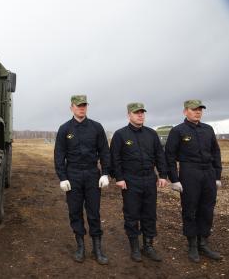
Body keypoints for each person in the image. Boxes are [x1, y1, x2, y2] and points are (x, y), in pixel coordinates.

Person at [54, 95, 110, 264]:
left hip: (93, 174)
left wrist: (105, 173)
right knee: (75, 211)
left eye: (84, 105)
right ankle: (80, 247)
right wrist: (62, 177)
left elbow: (105, 152)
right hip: (73, 175)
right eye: (78, 106)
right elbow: (59, 155)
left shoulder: (96, 127)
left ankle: (97, 249)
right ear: (71, 107)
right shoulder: (65, 129)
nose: (81, 108)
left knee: (94, 212)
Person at [165, 100, 222, 263]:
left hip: (208, 173)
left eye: (200, 110)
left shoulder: (208, 129)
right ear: (185, 112)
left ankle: (203, 243)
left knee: (207, 208)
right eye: (194, 110)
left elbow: (216, 153)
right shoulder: (178, 131)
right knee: (190, 208)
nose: (198, 112)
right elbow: (169, 156)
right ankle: (192, 245)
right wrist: (174, 179)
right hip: (189, 172)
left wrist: (217, 175)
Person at [110, 102, 167, 262]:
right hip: (130, 180)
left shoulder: (151, 134)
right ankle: (134, 247)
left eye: (142, 112)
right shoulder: (120, 135)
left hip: (149, 179)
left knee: (149, 214)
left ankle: (148, 246)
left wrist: (163, 175)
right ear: (129, 115)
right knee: (132, 214)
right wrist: (119, 178)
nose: (140, 115)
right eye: (137, 113)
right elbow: (115, 158)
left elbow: (159, 156)